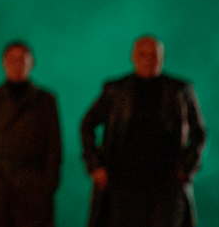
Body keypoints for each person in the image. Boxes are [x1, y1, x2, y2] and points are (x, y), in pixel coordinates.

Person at [80, 36, 207, 227]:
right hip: (121, 184)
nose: (148, 60)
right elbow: (87, 124)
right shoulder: (116, 90)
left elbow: (200, 134)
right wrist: (95, 165)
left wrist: (188, 167)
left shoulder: (179, 90)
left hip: (165, 185)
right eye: (143, 55)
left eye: (153, 55)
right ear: (133, 57)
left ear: (162, 58)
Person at [0, 41, 62, 227]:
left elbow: (54, 145)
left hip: (33, 186)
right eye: (12, 59)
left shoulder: (45, 101)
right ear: (4, 62)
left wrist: (48, 184)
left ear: (31, 63)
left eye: (22, 59)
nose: (17, 64)